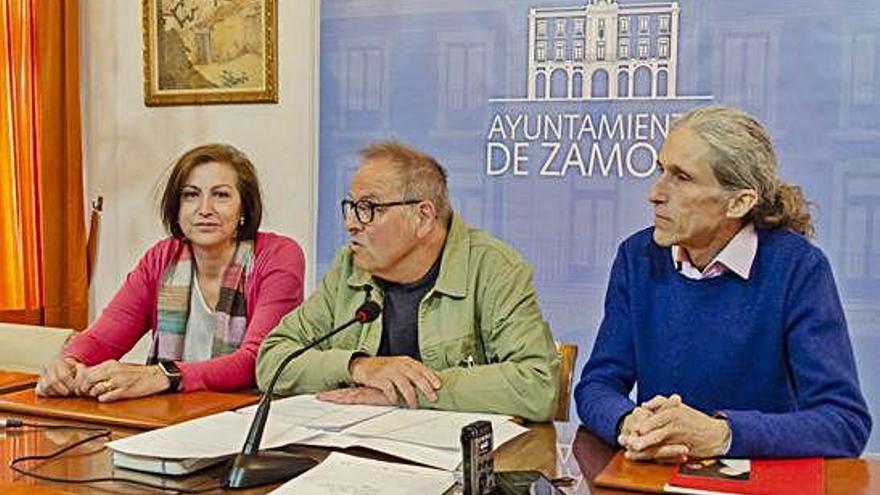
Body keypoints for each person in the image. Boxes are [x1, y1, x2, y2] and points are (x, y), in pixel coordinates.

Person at [575, 105, 871, 460]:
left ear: (739, 202)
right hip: (657, 480)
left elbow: (844, 422)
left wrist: (722, 435)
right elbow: (597, 385)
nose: (654, 192)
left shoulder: (798, 268)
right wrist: (629, 424)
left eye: (681, 177)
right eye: (660, 171)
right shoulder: (636, 257)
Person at [257, 141, 559, 421]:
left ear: (423, 217)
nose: (350, 223)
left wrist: (402, 392)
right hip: (356, 456)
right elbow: (272, 360)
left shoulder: (494, 268)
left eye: (369, 209)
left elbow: (537, 385)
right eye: (351, 207)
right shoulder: (348, 267)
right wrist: (358, 366)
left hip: (454, 464)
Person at [36, 144, 305, 402]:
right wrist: (68, 364)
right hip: (170, 418)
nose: (204, 209)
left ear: (244, 208)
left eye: (221, 195)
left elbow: (259, 361)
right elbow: (102, 339)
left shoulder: (278, 257)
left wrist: (164, 376)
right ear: (176, 209)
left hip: (248, 420)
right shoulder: (162, 258)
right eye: (191, 195)